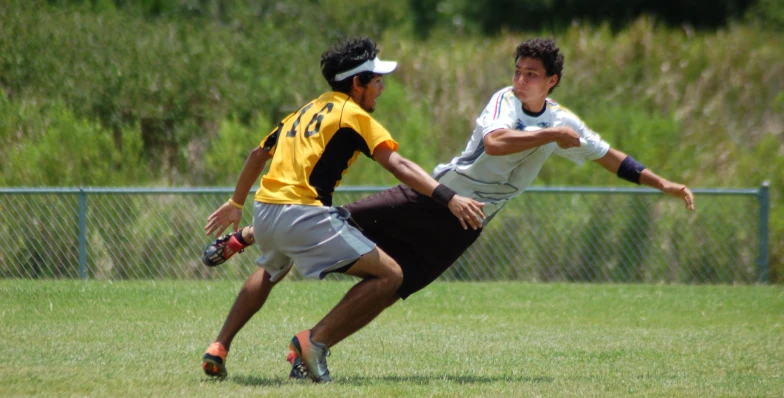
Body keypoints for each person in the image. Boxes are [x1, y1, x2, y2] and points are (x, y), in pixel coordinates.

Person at [205, 36, 695, 380]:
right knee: (351, 238)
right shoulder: (505, 102)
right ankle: (253, 247)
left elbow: (610, 157)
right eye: (518, 71)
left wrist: (663, 182)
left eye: (531, 75)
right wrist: (549, 137)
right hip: (436, 196)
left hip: (468, 221)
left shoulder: (566, 122)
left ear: (553, 82)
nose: (521, 80)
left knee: (393, 284)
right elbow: (498, 143)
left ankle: (308, 339)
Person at [201, 36, 486, 384]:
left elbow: (256, 155)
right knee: (391, 276)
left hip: (265, 210)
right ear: (357, 83)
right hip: (303, 214)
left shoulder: (303, 110)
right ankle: (313, 343)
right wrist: (448, 197)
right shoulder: (350, 113)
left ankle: (219, 345)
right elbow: (396, 163)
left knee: (272, 268)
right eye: (376, 80)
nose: (381, 87)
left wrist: (235, 204)